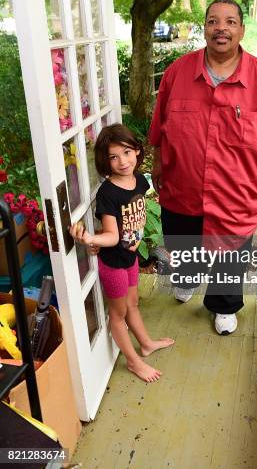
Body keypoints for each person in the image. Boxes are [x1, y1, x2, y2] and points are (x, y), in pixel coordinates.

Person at [149, 0, 257, 335]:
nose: (221, 28)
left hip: (236, 191)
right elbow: (159, 126)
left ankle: (224, 306)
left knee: (231, 256)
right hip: (182, 187)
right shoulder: (177, 73)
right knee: (181, 241)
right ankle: (186, 279)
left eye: (230, 22)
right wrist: (156, 163)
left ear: (241, 30)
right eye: (213, 21)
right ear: (205, 28)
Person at [69, 123, 174, 382]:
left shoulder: (139, 180)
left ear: (137, 151)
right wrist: (91, 238)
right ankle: (134, 362)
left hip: (130, 258)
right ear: (106, 161)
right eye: (113, 157)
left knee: (133, 304)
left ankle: (146, 343)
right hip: (114, 263)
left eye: (126, 152)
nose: (122, 161)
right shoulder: (108, 193)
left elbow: (133, 219)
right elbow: (113, 234)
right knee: (118, 314)